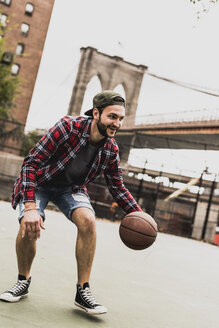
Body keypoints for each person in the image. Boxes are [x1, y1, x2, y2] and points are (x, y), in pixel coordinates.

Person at [0, 90, 142, 314]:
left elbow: (117, 187)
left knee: (88, 220)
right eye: (112, 117)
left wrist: (139, 215)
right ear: (96, 113)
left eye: (121, 118)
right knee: (29, 223)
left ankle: (82, 291)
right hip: (40, 182)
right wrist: (29, 208)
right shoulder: (68, 128)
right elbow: (31, 163)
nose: (117, 123)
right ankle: (22, 281)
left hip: (71, 188)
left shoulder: (111, 150)